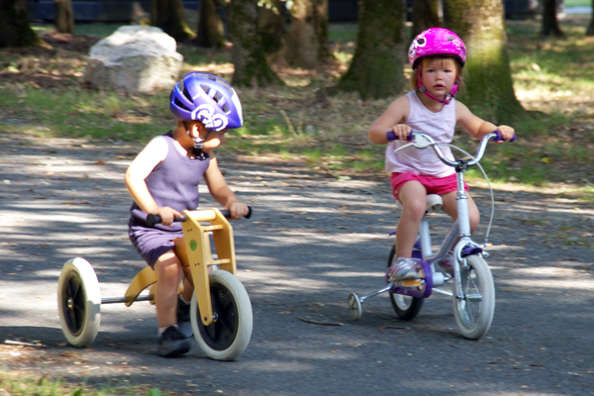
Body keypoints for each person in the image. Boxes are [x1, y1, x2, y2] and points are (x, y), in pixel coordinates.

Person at [368, 28, 515, 282]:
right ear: (419, 75)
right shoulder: (406, 104)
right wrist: (394, 131)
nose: (439, 76)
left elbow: (478, 127)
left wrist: (497, 130)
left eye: (446, 70)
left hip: (443, 172)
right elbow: (375, 133)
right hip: (409, 172)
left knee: (470, 217)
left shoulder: (456, 108)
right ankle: (402, 262)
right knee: (415, 205)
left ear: (457, 75)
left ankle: (449, 257)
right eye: (431, 70)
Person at [125, 72, 250, 357]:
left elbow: (218, 187)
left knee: (201, 267)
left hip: (184, 227)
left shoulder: (205, 157)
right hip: (151, 228)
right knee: (170, 268)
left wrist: (232, 201)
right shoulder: (161, 146)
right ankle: (166, 331)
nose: (221, 140)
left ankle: (185, 305)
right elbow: (133, 176)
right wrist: (153, 210)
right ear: (196, 128)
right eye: (219, 134)